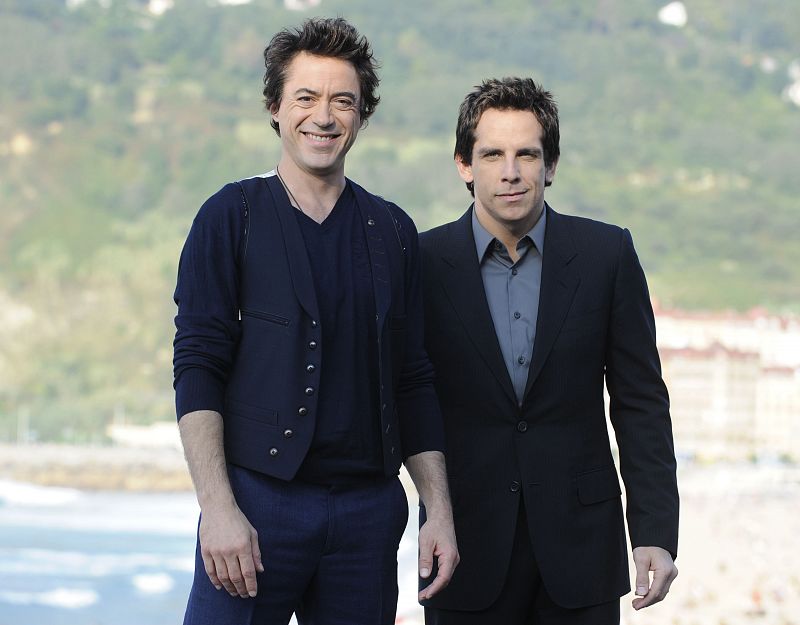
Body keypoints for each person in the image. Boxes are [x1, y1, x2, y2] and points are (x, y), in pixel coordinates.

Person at [172, 17, 458, 625]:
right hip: (255, 506)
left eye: (342, 101)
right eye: (305, 97)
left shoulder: (394, 233)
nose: (322, 116)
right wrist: (218, 509)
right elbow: (197, 365)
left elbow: (413, 378)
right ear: (275, 107)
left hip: (366, 517)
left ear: (361, 116)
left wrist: (438, 510)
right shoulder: (230, 217)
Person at [419, 77, 678, 625]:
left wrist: (654, 532)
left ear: (550, 164)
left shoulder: (606, 254)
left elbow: (640, 403)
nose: (510, 172)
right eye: (492, 154)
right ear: (465, 165)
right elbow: (407, 400)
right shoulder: (420, 263)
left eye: (526, 155)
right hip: (463, 549)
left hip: (583, 549)